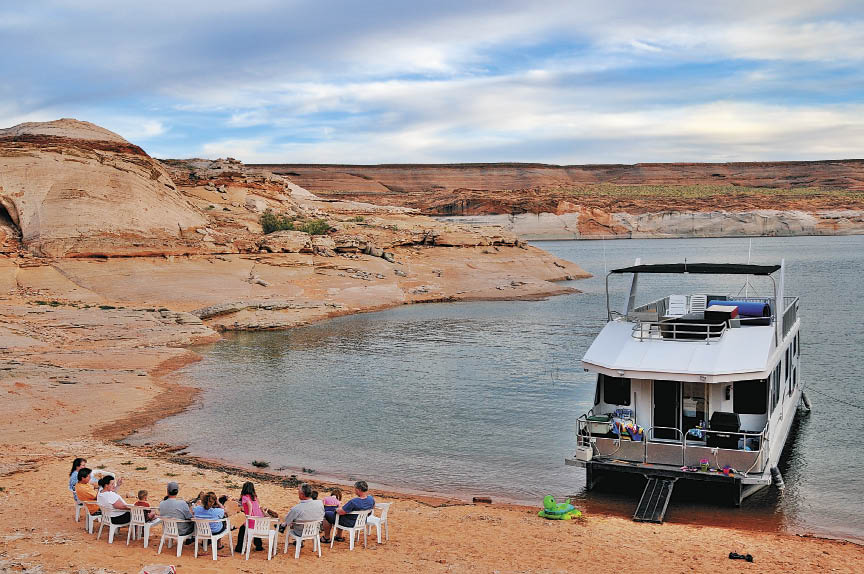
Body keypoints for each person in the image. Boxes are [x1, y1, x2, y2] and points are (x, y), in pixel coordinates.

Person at [234, 482, 265, 553]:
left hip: (252, 518)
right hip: (259, 518)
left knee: (242, 529)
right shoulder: (254, 497)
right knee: (255, 529)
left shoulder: (244, 497)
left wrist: (249, 515)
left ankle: (239, 547)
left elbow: (249, 505)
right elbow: (257, 505)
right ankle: (259, 546)